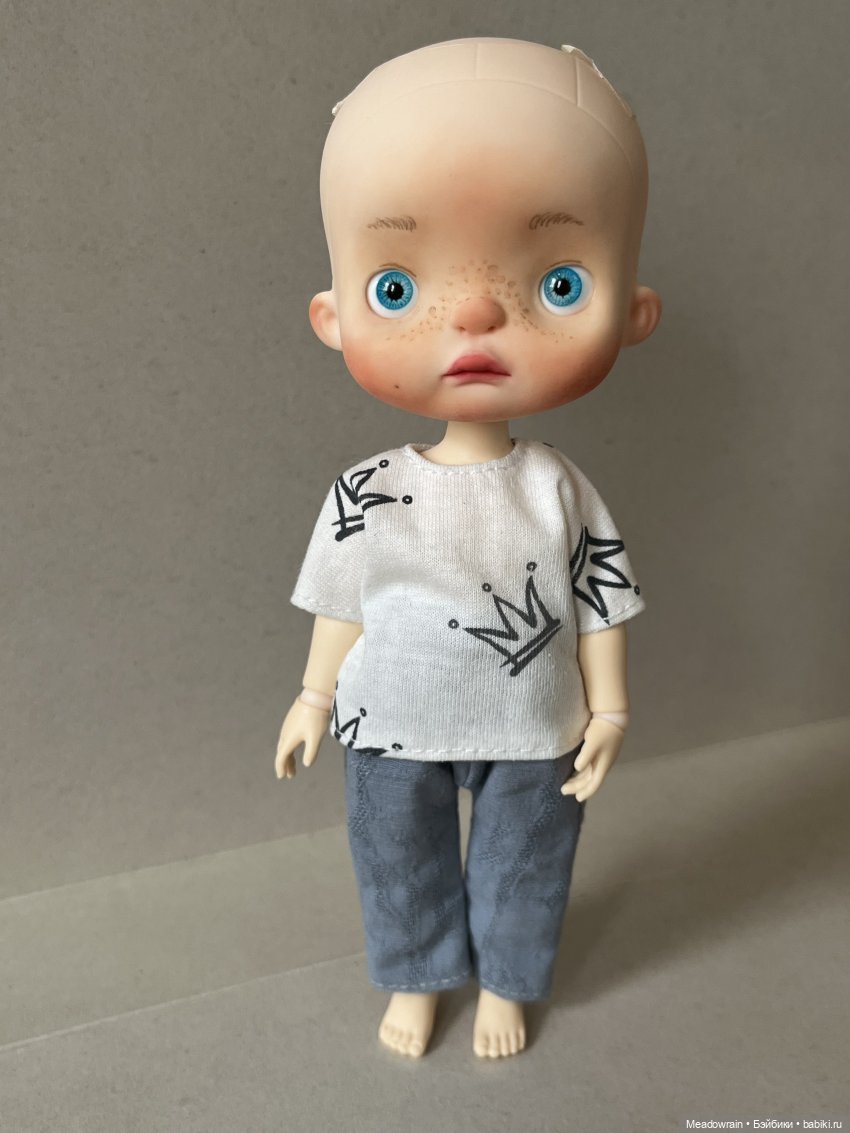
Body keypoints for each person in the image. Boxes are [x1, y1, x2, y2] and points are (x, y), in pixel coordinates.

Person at [275, 37, 661, 1060]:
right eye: (397, 288)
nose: (479, 313)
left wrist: (611, 709)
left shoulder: (558, 489)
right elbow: (343, 598)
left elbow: (599, 601)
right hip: (388, 716)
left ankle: (507, 977)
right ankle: (416, 974)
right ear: (332, 314)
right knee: (395, 858)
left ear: (634, 310)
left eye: (559, 283)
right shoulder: (366, 490)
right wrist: (312, 695)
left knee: (525, 860)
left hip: (535, 722)